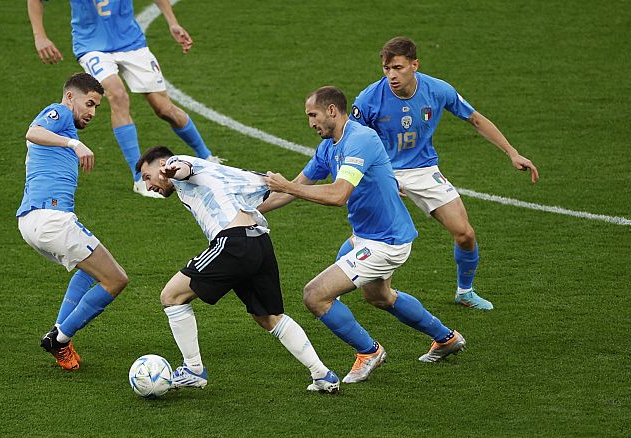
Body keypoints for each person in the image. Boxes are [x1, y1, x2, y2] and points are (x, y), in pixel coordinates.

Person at [260, 86, 465, 383]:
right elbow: (293, 188)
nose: (311, 123)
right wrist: (250, 212)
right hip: (369, 236)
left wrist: (289, 187)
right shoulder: (329, 146)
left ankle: (369, 352)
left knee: (315, 295)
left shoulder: (361, 140)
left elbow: (338, 194)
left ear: (332, 111)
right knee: (380, 296)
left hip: (387, 242)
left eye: (313, 115)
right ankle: (446, 338)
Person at [348, 36, 540, 310]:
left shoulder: (437, 90)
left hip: (424, 170)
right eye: (386, 68)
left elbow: (474, 118)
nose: (391, 75)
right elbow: (352, 140)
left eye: (398, 68)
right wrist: (376, 176)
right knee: (366, 239)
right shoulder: (369, 99)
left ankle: (465, 292)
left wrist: (512, 152)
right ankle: (333, 284)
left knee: (465, 234)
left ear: (415, 65)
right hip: (382, 170)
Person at [135, 146, 340, 393]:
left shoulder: (180, 163)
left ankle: (193, 369)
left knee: (172, 296)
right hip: (259, 241)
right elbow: (261, 188)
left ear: (162, 165)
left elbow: (182, 168)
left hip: (233, 243)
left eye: (148, 177)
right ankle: (322, 375)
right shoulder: (216, 173)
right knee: (268, 317)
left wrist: (172, 170)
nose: (148, 187)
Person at [27, 0, 222, 199]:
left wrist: (173, 22)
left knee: (164, 108)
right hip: (92, 46)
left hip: (133, 43)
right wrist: (40, 36)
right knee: (118, 94)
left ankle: (206, 156)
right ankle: (139, 179)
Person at [17, 73, 129, 371]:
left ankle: (59, 335)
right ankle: (60, 338)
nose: (92, 112)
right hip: (52, 219)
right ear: (70, 97)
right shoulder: (59, 112)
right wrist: (73, 144)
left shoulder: (66, 126)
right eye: (89, 103)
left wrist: (71, 143)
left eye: (96, 107)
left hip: (33, 222)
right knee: (116, 279)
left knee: (89, 271)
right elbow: (32, 131)